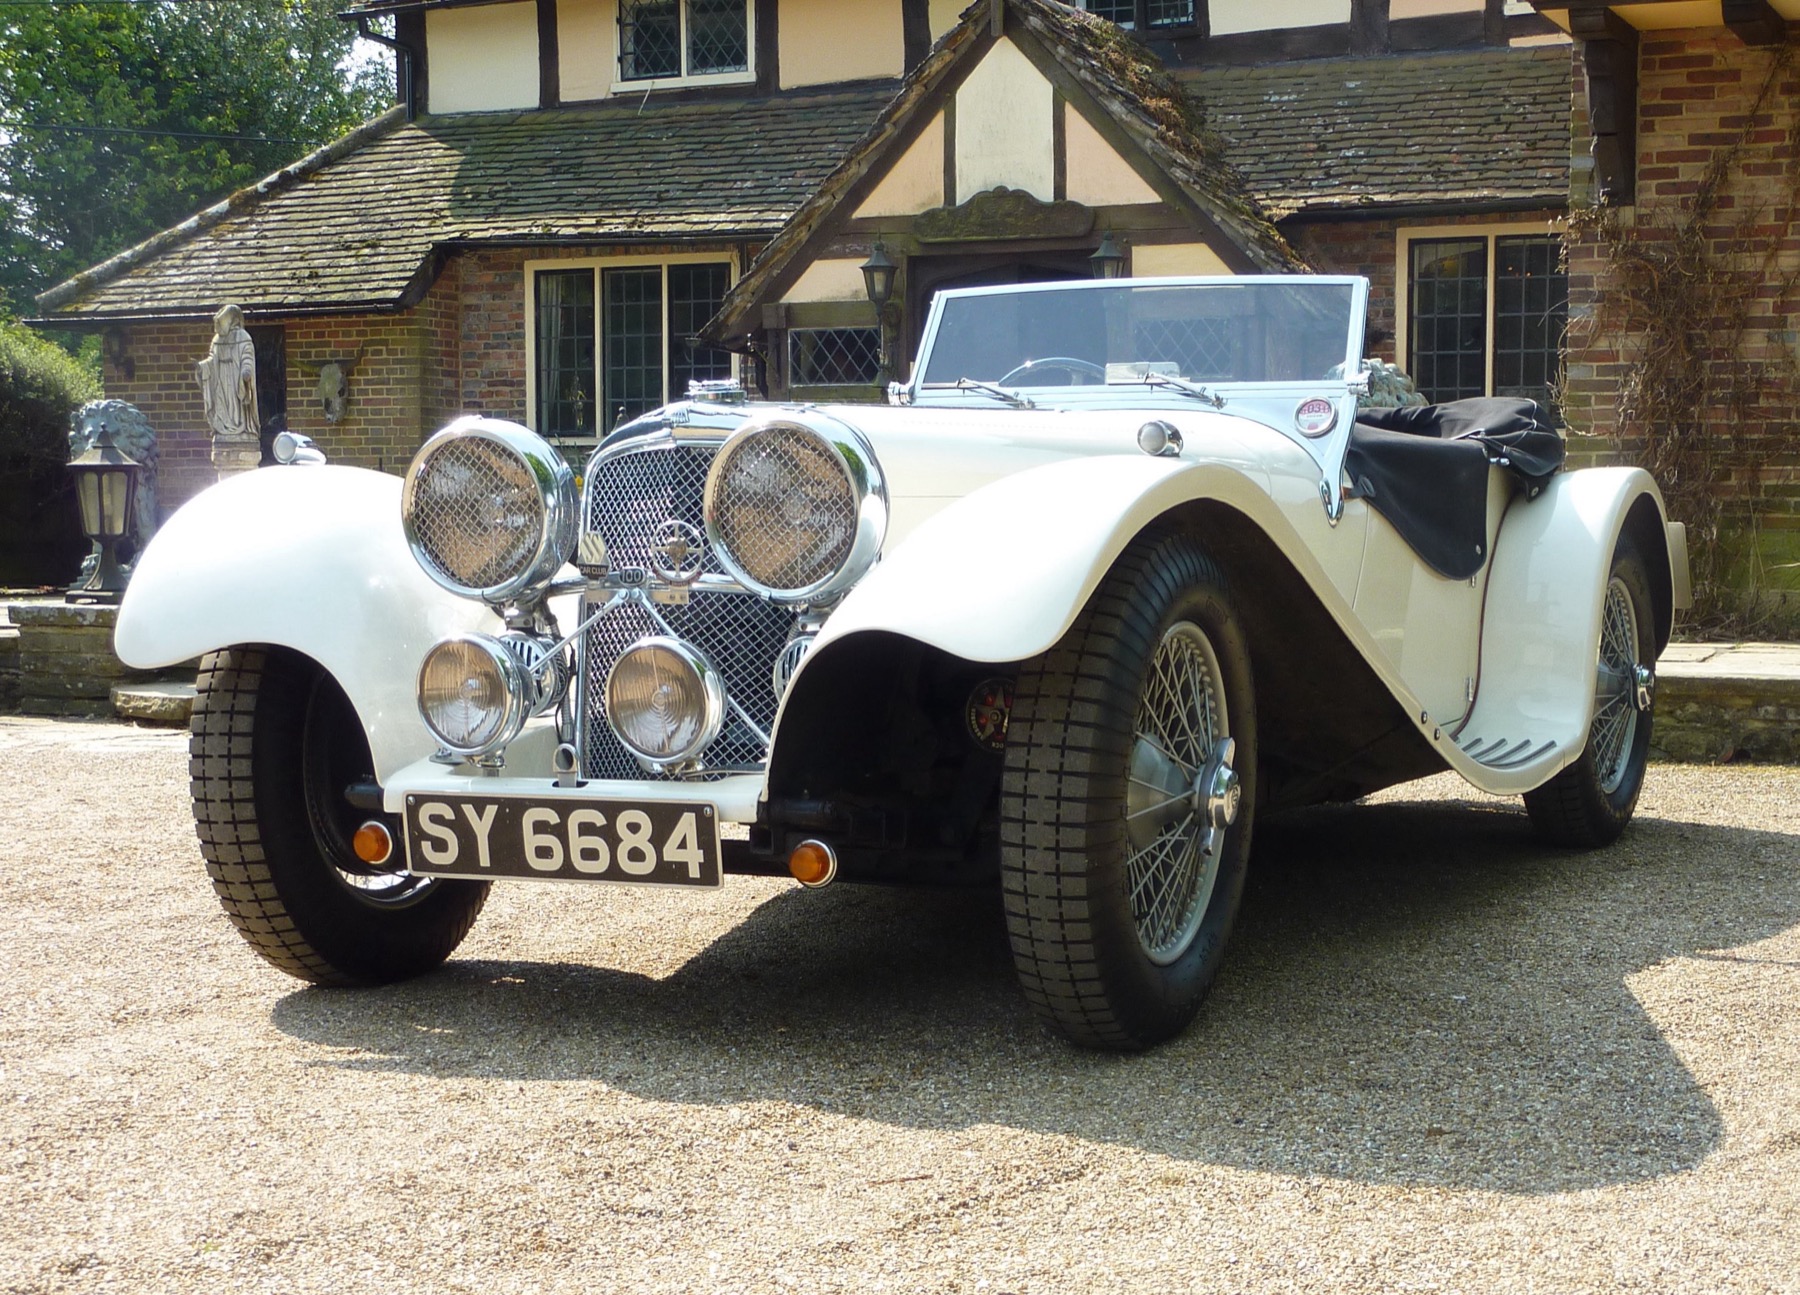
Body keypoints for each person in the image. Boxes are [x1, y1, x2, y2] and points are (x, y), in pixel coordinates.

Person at [196, 304, 259, 441]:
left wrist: (246, 371)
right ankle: (223, 430)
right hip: (220, 380)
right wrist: (203, 366)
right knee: (221, 407)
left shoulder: (243, 336)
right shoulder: (217, 340)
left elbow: (247, 356)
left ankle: (239, 430)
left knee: (236, 410)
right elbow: (212, 358)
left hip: (236, 381)